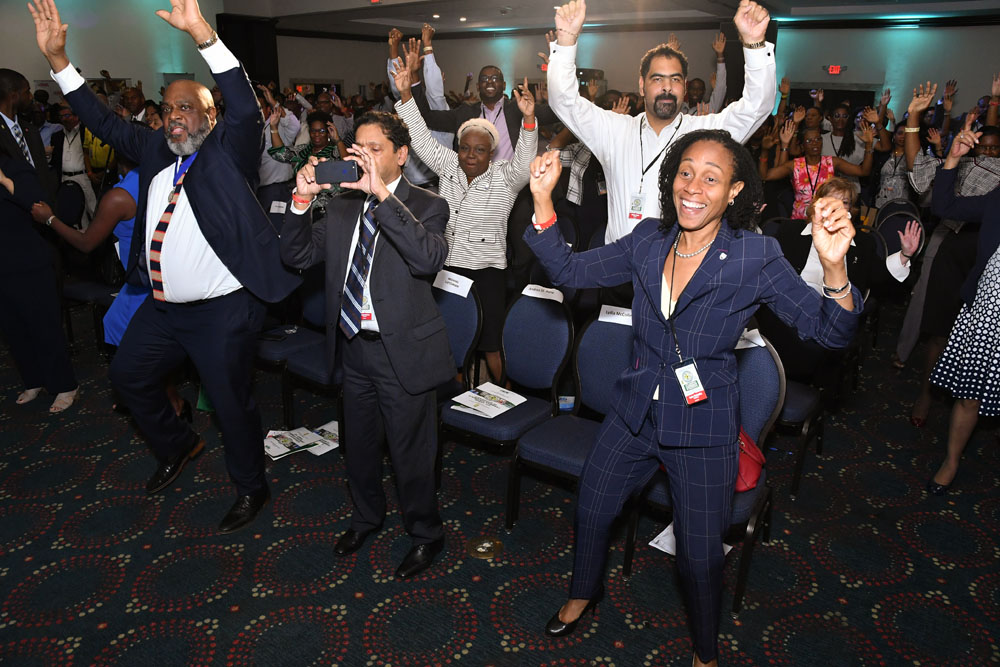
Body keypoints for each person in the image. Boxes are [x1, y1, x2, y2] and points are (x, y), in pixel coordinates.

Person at [523, 129, 862, 667]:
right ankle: (584, 591)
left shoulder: (755, 255)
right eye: (685, 172)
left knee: (700, 559)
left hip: (704, 427)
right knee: (591, 507)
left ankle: (706, 651)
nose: (693, 187)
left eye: (711, 177)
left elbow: (830, 334)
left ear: (734, 191)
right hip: (634, 412)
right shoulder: (648, 240)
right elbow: (568, 269)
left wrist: (835, 268)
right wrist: (543, 200)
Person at [30, 0, 300, 532]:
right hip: (161, 307)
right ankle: (179, 443)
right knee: (128, 376)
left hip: (221, 312)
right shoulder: (156, 150)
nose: (175, 115)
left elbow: (245, 106)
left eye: (187, 108)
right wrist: (59, 61)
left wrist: (202, 33)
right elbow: (101, 120)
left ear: (210, 117)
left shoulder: (228, 152)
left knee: (231, 405)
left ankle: (252, 486)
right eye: (169, 107)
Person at [280, 111, 453, 578]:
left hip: (403, 354)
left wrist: (381, 195)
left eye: (375, 149)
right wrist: (301, 199)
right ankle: (366, 518)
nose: (365, 158)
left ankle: (426, 534)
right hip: (354, 347)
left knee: (411, 454)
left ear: (402, 154)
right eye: (359, 148)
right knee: (357, 446)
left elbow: (428, 258)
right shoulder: (341, 206)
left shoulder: (428, 204)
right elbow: (296, 254)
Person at [547, 0, 775, 244]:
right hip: (619, 261)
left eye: (675, 79)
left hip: (678, 263)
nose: (667, 87)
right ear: (642, 86)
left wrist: (754, 44)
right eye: (657, 79)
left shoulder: (703, 135)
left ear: (684, 87)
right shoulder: (614, 130)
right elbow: (564, 101)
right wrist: (566, 41)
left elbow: (756, 107)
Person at [392, 50, 537, 382]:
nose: (471, 155)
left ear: (491, 153)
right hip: (449, 266)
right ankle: (455, 393)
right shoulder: (448, 166)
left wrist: (529, 121)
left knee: (491, 345)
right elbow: (421, 138)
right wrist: (405, 94)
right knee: (451, 336)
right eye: (465, 148)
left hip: (487, 272)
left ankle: (507, 394)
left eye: (480, 150)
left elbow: (524, 160)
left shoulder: (505, 177)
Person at [29, 143, 190, 418]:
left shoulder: (119, 196)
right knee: (117, 324)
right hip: (157, 272)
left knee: (140, 340)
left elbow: (86, 243)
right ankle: (145, 391)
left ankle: (171, 403)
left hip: (145, 280)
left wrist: (50, 219)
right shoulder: (161, 178)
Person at [925, 125, 1000, 495]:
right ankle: (952, 461)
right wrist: (952, 159)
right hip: (988, 308)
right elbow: (945, 207)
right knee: (971, 392)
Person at [0, 153, 78, 413]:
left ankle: (65, 385)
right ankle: (34, 380)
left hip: (29, 262)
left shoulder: (15, 168)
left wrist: (5, 181)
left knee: (43, 327)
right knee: (14, 329)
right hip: (3, 266)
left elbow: (38, 205)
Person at [761, 123, 874, 219]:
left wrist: (869, 145)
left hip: (826, 219)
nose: (814, 143)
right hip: (800, 219)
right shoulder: (795, 165)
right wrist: (765, 150)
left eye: (818, 139)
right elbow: (765, 176)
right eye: (809, 140)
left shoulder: (832, 162)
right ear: (802, 145)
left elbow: (863, 171)